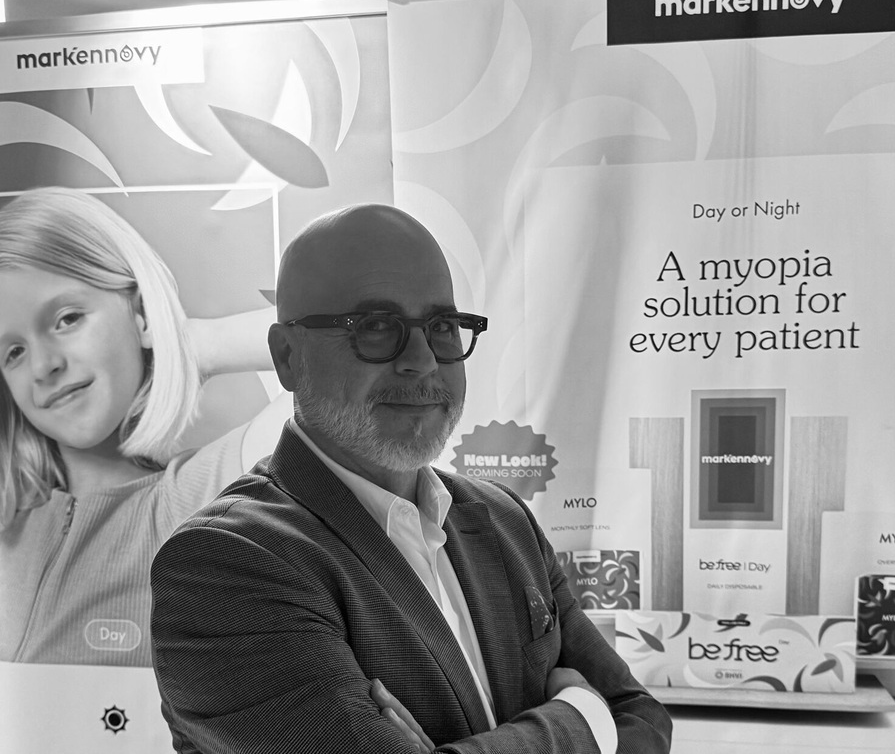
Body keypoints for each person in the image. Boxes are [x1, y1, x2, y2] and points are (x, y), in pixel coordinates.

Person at [150, 203, 672, 753]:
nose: (422, 361)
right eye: (376, 327)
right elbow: (611, 718)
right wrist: (581, 717)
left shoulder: (504, 520)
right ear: (287, 356)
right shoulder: (223, 564)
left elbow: (642, 721)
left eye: (441, 327)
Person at [0, 186, 286, 666]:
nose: (44, 366)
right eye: (13, 351)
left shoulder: (197, 498)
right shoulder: (10, 524)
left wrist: (187, 342)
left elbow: (348, 358)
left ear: (141, 314)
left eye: (67, 319)